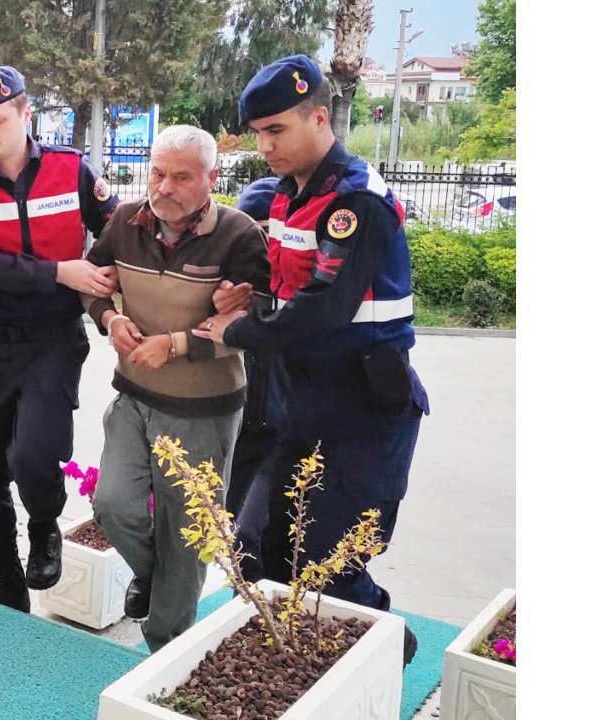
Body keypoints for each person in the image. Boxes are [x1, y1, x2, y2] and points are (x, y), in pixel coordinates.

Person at [193, 55, 429, 665]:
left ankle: (385, 645)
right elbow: (289, 287)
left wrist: (240, 329)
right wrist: (245, 297)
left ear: (319, 118)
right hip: (300, 404)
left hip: (363, 411)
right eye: (258, 132)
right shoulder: (288, 197)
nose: (264, 145)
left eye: (277, 130)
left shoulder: (356, 203)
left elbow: (324, 309)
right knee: (257, 549)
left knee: (326, 562)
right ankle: (303, 662)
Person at [0, 66, 119, 613]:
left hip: (52, 340)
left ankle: (44, 527)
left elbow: (117, 232)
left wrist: (111, 287)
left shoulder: (72, 170)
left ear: (24, 114)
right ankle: (7, 577)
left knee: (36, 453)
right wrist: (61, 271)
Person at [81, 125, 270, 652]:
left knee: (188, 536)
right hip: (135, 396)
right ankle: (154, 578)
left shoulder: (239, 235)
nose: (163, 186)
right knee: (113, 503)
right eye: (157, 173)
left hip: (204, 410)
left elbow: (254, 327)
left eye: (181, 177)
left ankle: (164, 656)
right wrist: (111, 322)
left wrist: (177, 344)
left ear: (212, 178)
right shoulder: (123, 222)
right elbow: (95, 287)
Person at [214, 177, 284, 583]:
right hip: (241, 434)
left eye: (273, 232)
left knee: (251, 540)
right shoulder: (229, 283)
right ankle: (266, 628)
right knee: (235, 546)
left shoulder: (305, 294)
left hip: (289, 436)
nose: (265, 246)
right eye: (254, 232)